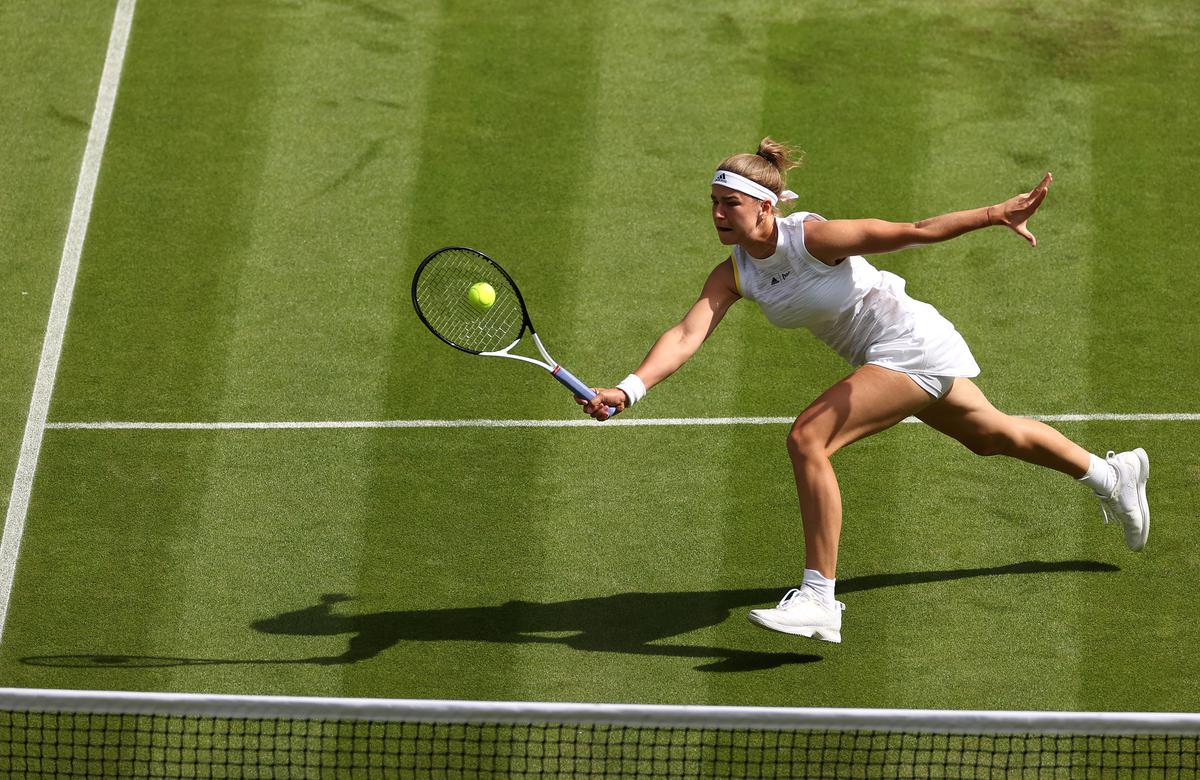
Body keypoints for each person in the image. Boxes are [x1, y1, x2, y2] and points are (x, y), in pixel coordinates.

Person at [578, 138, 1150, 644]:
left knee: (808, 439)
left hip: (909, 342)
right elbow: (686, 334)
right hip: (884, 355)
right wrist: (630, 390)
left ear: (766, 206)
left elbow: (914, 232)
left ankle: (819, 599)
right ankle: (1112, 475)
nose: (719, 214)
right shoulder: (735, 273)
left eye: (731, 203)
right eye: (714, 203)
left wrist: (996, 213)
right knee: (993, 436)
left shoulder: (816, 239)